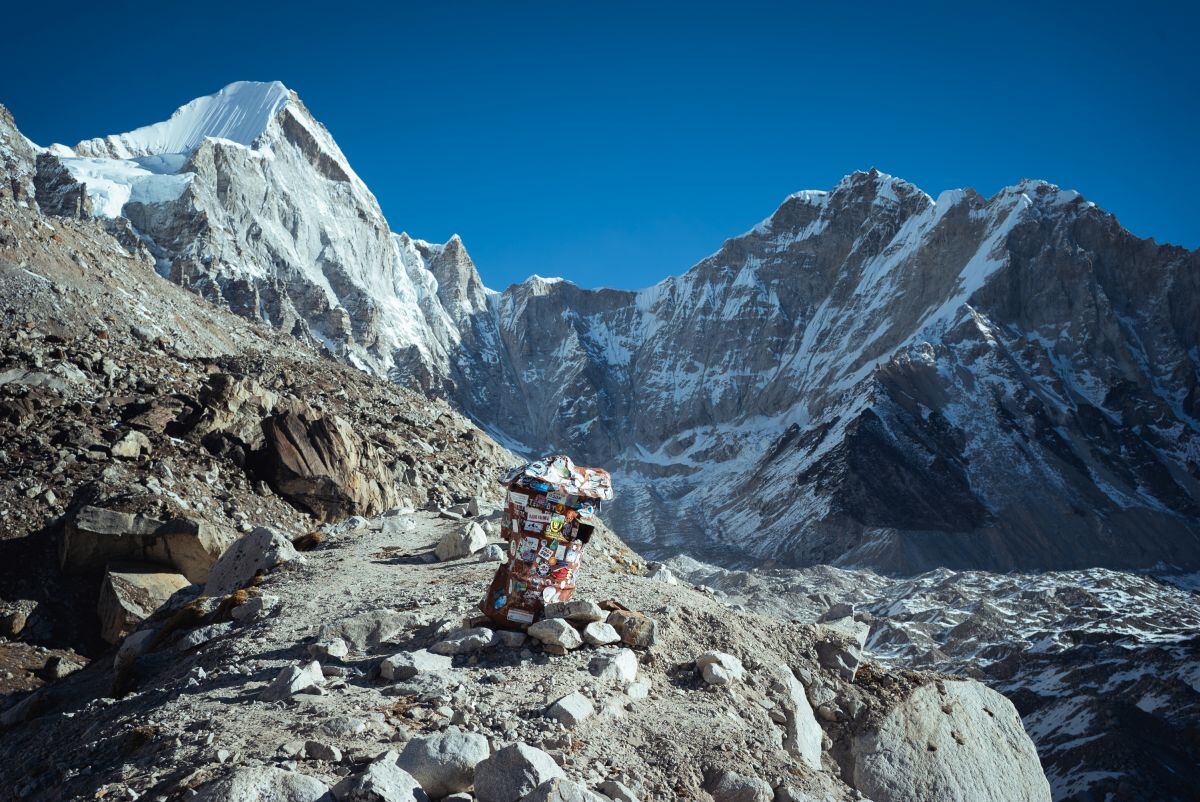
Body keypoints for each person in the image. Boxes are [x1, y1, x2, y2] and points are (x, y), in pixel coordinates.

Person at [479, 455, 614, 629]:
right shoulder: (526, 487)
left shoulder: (522, 490)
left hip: (539, 572)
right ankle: (537, 615)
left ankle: (527, 614)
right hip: (545, 577)